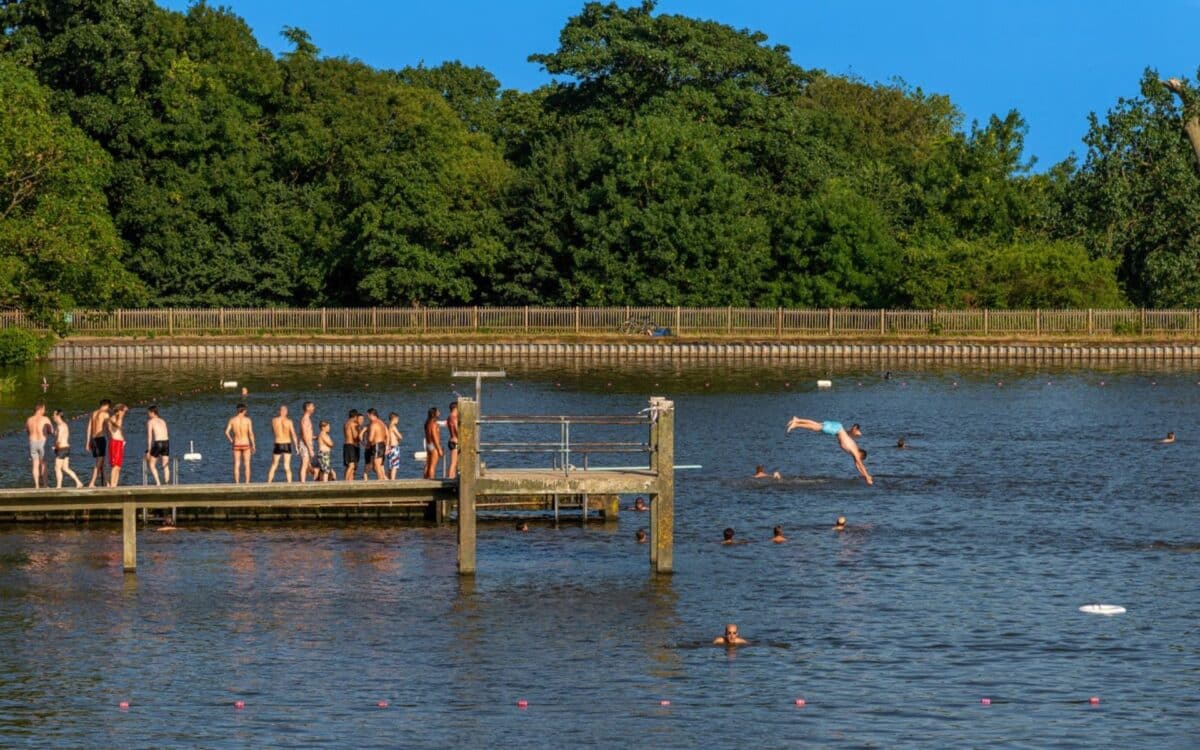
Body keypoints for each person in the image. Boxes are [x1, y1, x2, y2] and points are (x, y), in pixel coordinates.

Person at [785, 417, 873, 485]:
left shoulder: (854, 451)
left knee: (816, 425)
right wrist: (867, 478)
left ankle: (797, 420)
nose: (858, 460)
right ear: (861, 455)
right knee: (815, 427)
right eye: (860, 459)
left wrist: (865, 476)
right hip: (837, 429)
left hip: (837, 427)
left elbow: (858, 466)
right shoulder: (855, 451)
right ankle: (796, 424)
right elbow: (860, 464)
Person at [51, 409, 83, 489]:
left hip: (62, 449)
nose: (52, 416)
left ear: (58, 416)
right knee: (65, 468)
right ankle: (78, 482)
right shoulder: (63, 425)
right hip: (66, 449)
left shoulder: (61, 426)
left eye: (54, 415)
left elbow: (59, 439)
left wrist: (55, 447)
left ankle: (58, 486)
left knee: (57, 468)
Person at [224, 403, 256, 483]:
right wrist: (254, 445)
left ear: (237, 410)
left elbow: (226, 432)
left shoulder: (232, 420)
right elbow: (251, 433)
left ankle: (237, 483)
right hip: (246, 444)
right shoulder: (248, 420)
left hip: (236, 444)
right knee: (247, 464)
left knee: (236, 464)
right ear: (244, 410)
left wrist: (231, 441)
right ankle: (247, 483)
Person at [267, 405, 298, 483]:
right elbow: (293, 434)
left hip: (278, 443)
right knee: (287, 466)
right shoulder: (289, 421)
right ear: (286, 412)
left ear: (279, 412)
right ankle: (289, 483)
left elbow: (273, 431)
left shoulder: (274, 420)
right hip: (287, 444)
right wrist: (296, 447)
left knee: (274, 465)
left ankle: (269, 482)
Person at [26, 402, 52, 488]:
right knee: (44, 464)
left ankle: (36, 485)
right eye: (44, 409)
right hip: (42, 442)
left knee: (35, 464)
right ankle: (45, 485)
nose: (45, 410)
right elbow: (51, 430)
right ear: (40, 409)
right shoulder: (45, 419)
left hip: (32, 442)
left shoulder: (29, 419)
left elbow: (27, 431)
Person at [86, 399, 112, 487]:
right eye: (109, 407)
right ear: (106, 405)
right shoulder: (105, 414)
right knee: (99, 462)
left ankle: (107, 483)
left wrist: (88, 442)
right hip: (100, 439)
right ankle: (92, 482)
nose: (109, 409)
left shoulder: (93, 413)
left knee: (102, 462)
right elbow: (109, 428)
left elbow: (89, 428)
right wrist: (111, 438)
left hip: (93, 439)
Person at [144, 406, 171, 485]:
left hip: (158, 443)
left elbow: (149, 436)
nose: (148, 415)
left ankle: (158, 483)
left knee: (152, 465)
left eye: (148, 413)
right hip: (166, 442)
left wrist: (148, 450)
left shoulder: (151, 421)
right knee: (165, 464)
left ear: (152, 413)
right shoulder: (163, 421)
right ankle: (167, 483)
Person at [107, 403, 128, 487]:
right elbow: (117, 426)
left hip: (119, 443)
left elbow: (119, 430)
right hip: (115, 442)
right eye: (123, 411)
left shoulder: (117, 417)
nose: (124, 413)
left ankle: (114, 484)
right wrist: (120, 416)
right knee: (115, 466)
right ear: (119, 411)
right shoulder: (113, 418)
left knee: (118, 466)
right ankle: (112, 484)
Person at [365, 408, 388, 480]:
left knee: (377, 466)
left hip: (377, 445)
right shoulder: (382, 423)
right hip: (382, 445)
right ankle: (383, 479)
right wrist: (387, 446)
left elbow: (370, 438)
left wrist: (367, 444)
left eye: (367, 416)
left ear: (371, 415)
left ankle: (380, 482)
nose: (367, 417)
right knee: (378, 466)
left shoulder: (373, 424)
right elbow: (387, 435)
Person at [298, 401, 316, 483]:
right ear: (307, 408)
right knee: (304, 464)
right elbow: (304, 435)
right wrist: (310, 449)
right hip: (305, 444)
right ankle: (302, 483)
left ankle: (303, 481)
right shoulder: (305, 419)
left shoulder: (307, 418)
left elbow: (307, 434)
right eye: (312, 406)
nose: (313, 408)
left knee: (307, 464)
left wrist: (315, 437)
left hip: (308, 443)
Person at [343, 410, 363, 481]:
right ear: (355, 416)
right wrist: (361, 432)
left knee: (349, 466)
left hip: (346, 445)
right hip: (352, 446)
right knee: (352, 466)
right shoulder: (353, 424)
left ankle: (350, 481)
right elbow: (355, 436)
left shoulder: (346, 423)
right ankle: (345, 482)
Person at [424, 407, 442, 480]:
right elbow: (434, 436)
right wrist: (439, 448)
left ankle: (425, 479)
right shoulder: (434, 423)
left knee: (428, 464)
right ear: (434, 413)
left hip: (429, 445)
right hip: (434, 445)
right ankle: (432, 480)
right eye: (438, 411)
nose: (439, 413)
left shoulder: (427, 423)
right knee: (433, 466)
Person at [386, 412, 403, 480]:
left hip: (390, 447)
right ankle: (393, 481)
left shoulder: (388, 426)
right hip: (394, 448)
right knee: (394, 466)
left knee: (391, 466)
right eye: (397, 419)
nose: (398, 421)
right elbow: (400, 437)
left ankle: (389, 479)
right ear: (394, 419)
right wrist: (400, 435)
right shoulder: (393, 426)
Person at [446, 402, 460, 479]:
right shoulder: (454, 418)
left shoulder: (449, 417)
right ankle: (450, 479)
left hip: (451, 440)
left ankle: (452, 477)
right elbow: (456, 429)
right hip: (455, 442)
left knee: (455, 463)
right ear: (455, 408)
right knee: (453, 463)